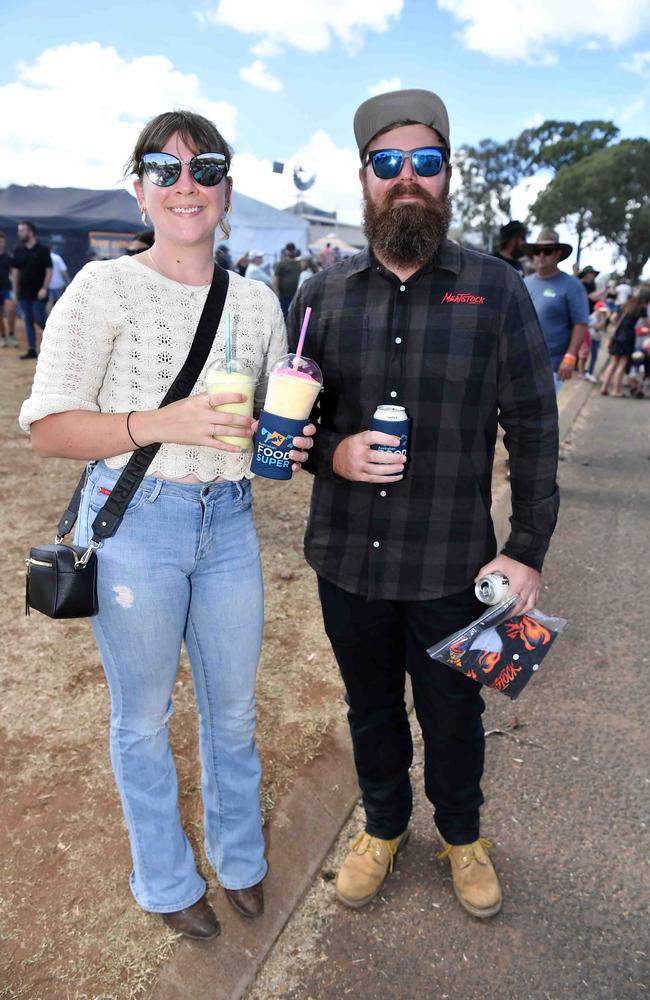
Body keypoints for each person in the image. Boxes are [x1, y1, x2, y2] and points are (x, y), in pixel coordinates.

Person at [19, 109, 314, 941]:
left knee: (233, 711)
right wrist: (162, 421)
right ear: (139, 187)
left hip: (229, 525)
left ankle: (241, 859)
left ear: (226, 185)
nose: (186, 185)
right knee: (142, 719)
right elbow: (47, 430)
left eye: (205, 168)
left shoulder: (258, 302)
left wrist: (281, 441)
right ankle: (163, 877)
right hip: (135, 526)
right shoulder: (102, 286)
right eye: (164, 168)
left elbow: (252, 428)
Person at [287, 88, 559, 920]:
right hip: (348, 560)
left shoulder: (496, 288)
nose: (408, 179)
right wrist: (333, 451)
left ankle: (463, 836)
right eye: (389, 163)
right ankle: (382, 827)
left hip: (452, 564)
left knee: (453, 714)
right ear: (365, 177)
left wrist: (527, 549)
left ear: (448, 178)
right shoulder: (321, 294)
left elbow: (536, 429)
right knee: (369, 708)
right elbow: (293, 425)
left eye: (426, 163)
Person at [522, 228, 589, 391]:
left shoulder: (572, 285)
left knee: (542, 414)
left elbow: (580, 323)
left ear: (558, 253)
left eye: (547, 251)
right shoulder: (525, 282)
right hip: (522, 362)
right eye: (537, 251)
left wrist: (570, 356)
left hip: (551, 365)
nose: (541, 255)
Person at [10, 220, 52, 359]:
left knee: (39, 318)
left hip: (39, 292)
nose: (19, 233)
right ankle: (32, 349)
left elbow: (49, 270)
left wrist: (44, 288)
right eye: (19, 230)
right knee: (28, 320)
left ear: (31, 232)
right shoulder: (18, 250)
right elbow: (15, 272)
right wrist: (15, 293)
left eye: (22, 230)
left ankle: (56, 340)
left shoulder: (43, 249)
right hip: (23, 293)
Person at [599, 293, 649, 397]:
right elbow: (647, 323)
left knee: (613, 363)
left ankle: (604, 387)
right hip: (628, 337)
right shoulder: (641, 308)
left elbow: (613, 318)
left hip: (617, 336)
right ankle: (615, 390)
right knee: (622, 364)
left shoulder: (624, 305)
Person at [273, 242, 301, 317]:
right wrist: (276, 292)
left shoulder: (299, 263)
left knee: (295, 315)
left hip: (296, 295)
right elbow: (276, 278)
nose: (291, 251)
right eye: (289, 249)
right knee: (285, 315)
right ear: (286, 251)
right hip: (284, 296)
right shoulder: (282, 264)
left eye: (292, 249)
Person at [0, 231, 18, 347]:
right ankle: (2, 336)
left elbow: (14, 274)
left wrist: (15, 291)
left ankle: (11, 334)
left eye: (2, 241)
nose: (1, 243)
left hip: (7, 289)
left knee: (11, 310)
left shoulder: (8, 257)